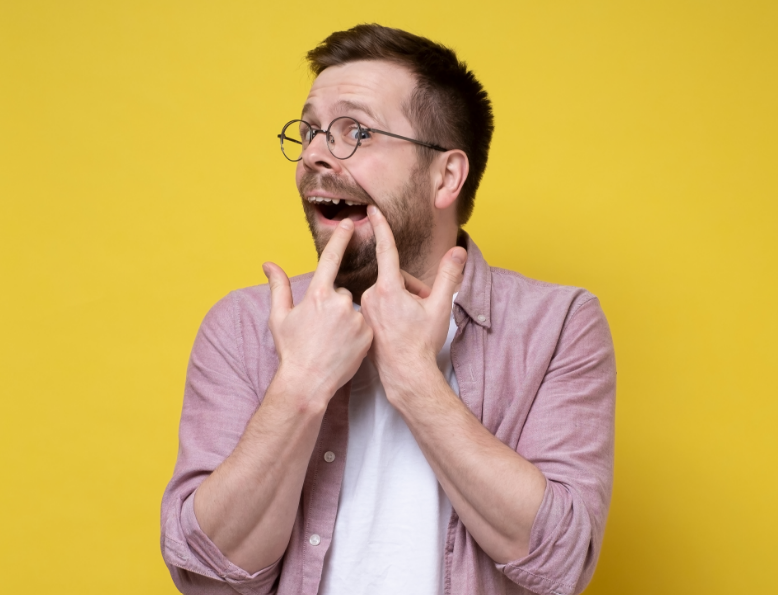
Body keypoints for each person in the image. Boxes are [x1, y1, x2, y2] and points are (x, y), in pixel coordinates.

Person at [160, 24, 616, 595]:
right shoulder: (244, 325)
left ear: (445, 175)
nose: (316, 156)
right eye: (310, 131)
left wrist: (414, 379)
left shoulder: (558, 325)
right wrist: (300, 383)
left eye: (356, 131)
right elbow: (206, 573)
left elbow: (560, 564)